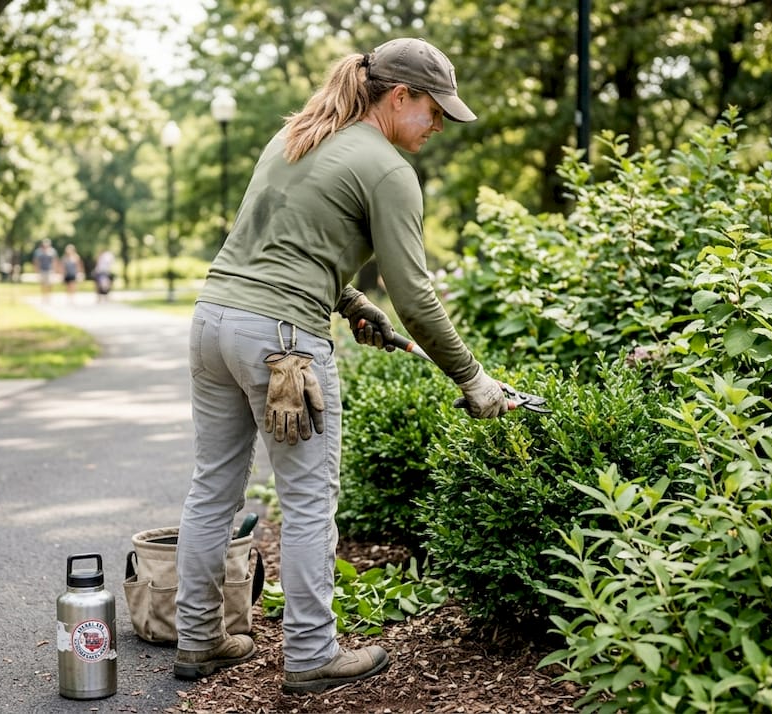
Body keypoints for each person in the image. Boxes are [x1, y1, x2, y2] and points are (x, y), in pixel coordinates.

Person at [173, 38, 516, 695]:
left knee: (212, 487)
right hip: (282, 344)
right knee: (306, 501)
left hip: (213, 322)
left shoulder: (297, 136)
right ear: (399, 96)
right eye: (434, 108)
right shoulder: (385, 168)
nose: (439, 123)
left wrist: (352, 300)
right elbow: (415, 298)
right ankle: (309, 654)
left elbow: (280, 244)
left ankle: (199, 639)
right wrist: (472, 378)